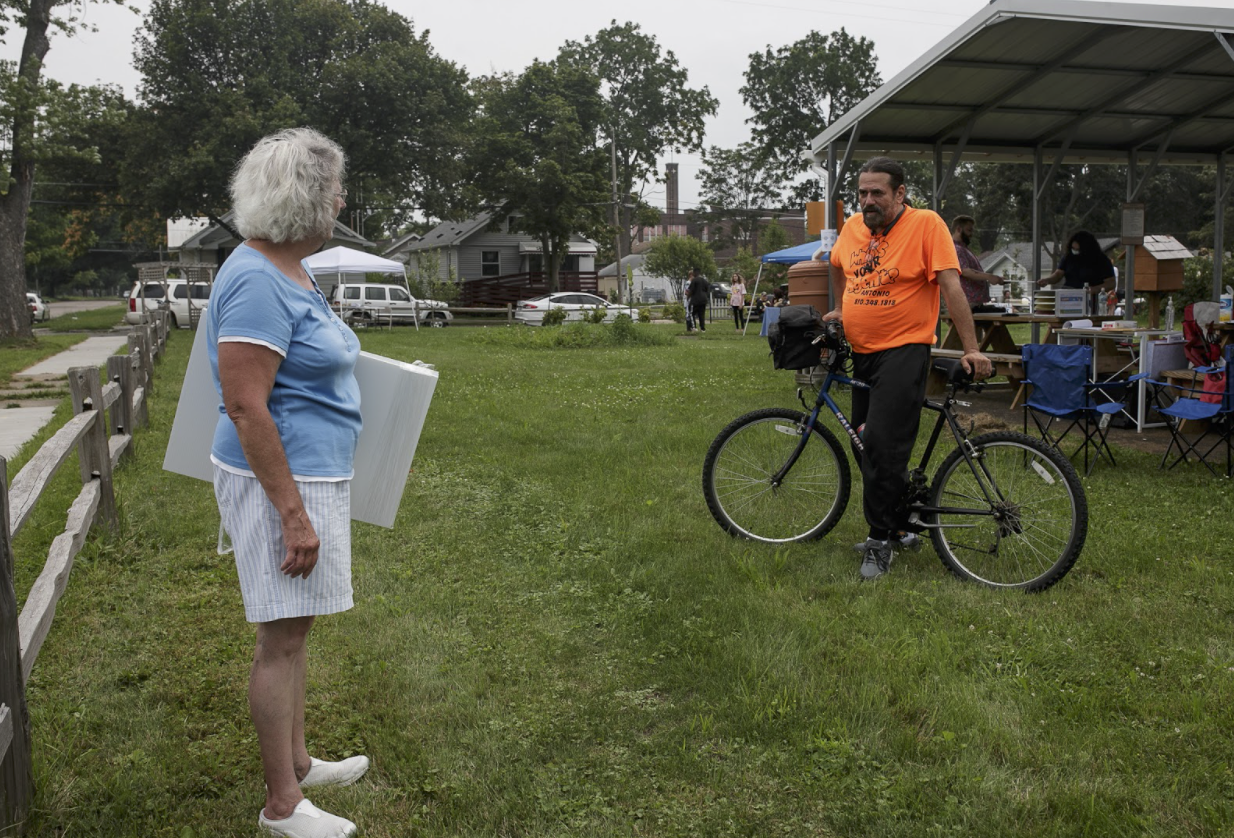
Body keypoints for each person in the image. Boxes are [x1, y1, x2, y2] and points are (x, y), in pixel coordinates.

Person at [207, 128, 367, 838]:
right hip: (282, 481)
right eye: (334, 188)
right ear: (304, 198)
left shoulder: (288, 268)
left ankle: (299, 763)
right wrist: (292, 513)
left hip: (310, 473)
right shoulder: (256, 278)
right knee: (280, 639)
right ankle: (281, 805)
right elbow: (245, 403)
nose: (341, 199)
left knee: (295, 632)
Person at [824, 156, 992, 581]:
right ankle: (899, 523)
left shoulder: (926, 225)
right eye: (862, 193)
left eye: (877, 192)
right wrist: (842, 310)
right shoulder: (852, 229)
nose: (868, 200)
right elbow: (839, 266)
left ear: (900, 193)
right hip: (863, 352)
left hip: (904, 351)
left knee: (882, 444)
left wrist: (971, 348)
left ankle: (880, 540)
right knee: (861, 442)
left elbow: (951, 284)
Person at [1042, 230, 1116, 313]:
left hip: (1090, 300)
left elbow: (1111, 283)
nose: (1075, 252)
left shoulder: (1102, 260)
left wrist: (1094, 289)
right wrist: (1047, 280)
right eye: (1073, 249)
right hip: (1067, 298)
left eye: (1078, 250)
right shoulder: (1068, 257)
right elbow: (1058, 274)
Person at [950, 215, 1007, 311]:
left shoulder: (964, 249)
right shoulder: (957, 249)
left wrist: (994, 279)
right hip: (967, 303)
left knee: (1000, 312)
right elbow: (965, 271)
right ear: (959, 229)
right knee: (1001, 313)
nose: (971, 234)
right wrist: (989, 277)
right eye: (969, 230)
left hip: (975, 303)